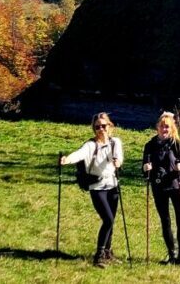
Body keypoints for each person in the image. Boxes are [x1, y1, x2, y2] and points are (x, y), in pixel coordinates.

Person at [60, 112, 124, 268]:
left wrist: (118, 162)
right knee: (108, 219)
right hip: (97, 187)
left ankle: (108, 252)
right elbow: (79, 154)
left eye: (104, 126)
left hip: (113, 186)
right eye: (97, 127)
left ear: (110, 126)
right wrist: (67, 159)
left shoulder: (116, 142)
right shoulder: (90, 145)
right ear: (94, 129)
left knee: (111, 221)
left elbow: (119, 157)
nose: (101, 129)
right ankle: (99, 255)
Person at [143, 111, 180, 267]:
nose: (164, 129)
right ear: (157, 127)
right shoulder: (150, 146)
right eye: (162, 126)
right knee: (165, 221)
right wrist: (146, 168)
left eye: (167, 127)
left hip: (176, 185)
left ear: (172, 128)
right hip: (159, 186)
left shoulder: (176, 144)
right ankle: (172, 254)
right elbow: (144, 169)